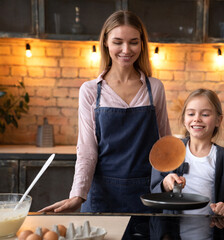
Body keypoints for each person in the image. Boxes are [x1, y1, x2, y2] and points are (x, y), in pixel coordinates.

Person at [40, 10, 171, 213]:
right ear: (106, 43)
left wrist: (170, 178)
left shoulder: (154, 88)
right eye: (118, 42)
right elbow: (86, 150)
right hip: (102, 195)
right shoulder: (91, 90)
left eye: (133, 42)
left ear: (142, 44)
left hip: (147, 195)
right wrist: (77, 195)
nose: (126, 49)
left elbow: (165, 143)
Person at [151, 88, 224, 217]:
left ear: (218, 120)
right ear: (184, 119)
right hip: (172, 232)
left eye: (205, 115)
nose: (197, 119)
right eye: (191, 114)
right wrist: (165, 185)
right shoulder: (168, 150)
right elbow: (153, 193)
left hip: (211, 231)